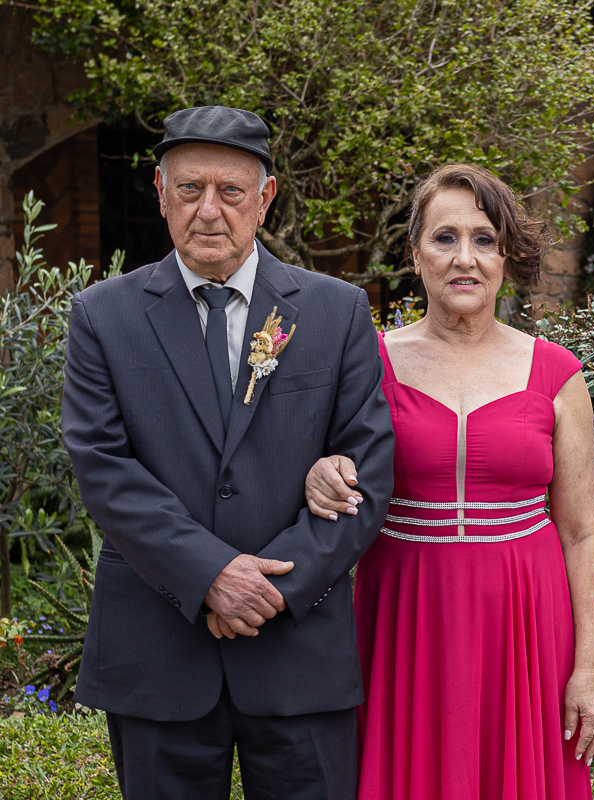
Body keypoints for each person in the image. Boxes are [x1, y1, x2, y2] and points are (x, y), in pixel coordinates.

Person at [61, 105, 395, 799]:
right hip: (159, 650)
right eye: (189, 189)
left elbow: (368, 469)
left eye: (231, 191)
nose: (208, 211)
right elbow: (102, 465)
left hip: (298, 648)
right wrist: (210, 574)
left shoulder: (335, 312)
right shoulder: (103, 316)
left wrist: (269, 589)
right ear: (159, 191)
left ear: (265, 198)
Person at [303, 163, 594, 800]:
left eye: (484, 239)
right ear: (415, 254)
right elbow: (324, 473)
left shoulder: (557, 373)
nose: (464, 258)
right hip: (404, 618)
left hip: (525, 624)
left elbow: (581, 534)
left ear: (506, 257)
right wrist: (320, 474)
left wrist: (588, 668)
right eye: (445, 238)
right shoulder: (368, 364)